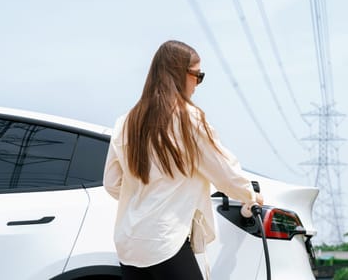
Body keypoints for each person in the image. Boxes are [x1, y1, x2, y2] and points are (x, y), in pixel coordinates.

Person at [103, 40, 262, 280]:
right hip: (165, 240)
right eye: (197, 75)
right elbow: (223, 170)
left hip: (130, 244)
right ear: (179, 74)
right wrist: (250, 195)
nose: (197, 84)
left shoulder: (126, 122)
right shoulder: (188, 119)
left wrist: (144, 196)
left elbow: (112, 183)